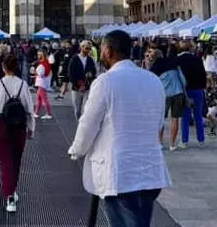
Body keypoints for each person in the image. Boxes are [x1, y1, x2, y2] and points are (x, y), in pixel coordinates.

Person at [68, 30, 171, 227]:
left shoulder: (105, 82)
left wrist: (77, 150)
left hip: (121, 173)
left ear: (108, 51)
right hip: (150, 171)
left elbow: (88, 124)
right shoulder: (153, 80)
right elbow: (159, 123)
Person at [0, 54, 35, 213]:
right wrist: (31, 128)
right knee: (16, 160)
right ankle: (12, 190)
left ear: (3, 67)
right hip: (20, 124)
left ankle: (9, 195)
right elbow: (29, 108)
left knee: (5, 161)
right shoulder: (23, 84)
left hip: (2, 123)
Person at [148, 47, 186, 151]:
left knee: (161, 119)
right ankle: (172, 144)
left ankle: (160, 142)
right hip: (178, 93)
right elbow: (183, 80)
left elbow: (151, 83)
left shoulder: (155, 67)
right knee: (175, 119)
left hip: (163, 95)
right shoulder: (173, 62)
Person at [176, 41, 208, 147]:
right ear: (190, 49)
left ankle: (184, 141)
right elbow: (203, 74)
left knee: (185, 117)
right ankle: (201, 140)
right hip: (198, 89)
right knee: (198, 115)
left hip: (185, 91)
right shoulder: (197, 59)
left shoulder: (178, 60)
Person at [68, 40, 97, 119]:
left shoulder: (90, 59)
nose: (88, 50)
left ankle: (83, 127)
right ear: (81, 47)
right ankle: (79, 126)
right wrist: (78, 86)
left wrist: (91, 75)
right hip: (76, 88)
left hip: (87, 87)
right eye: (87, 48)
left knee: (85, 109)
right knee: (77, 110)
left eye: (89, 49)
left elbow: (94, 72)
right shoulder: (74, 59)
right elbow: (71, 74)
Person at [33, 49, 53, 120]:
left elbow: (41, 74)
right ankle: (36, 113)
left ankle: (48, 113)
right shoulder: (45, 62)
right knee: (39, 99)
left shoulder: (43, 64)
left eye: (39, 55)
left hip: (42, 83)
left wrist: (35, 72)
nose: (38, 56)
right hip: (42, 83)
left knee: (44, 99)